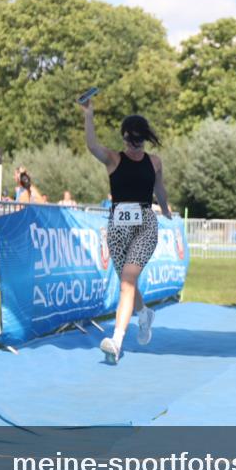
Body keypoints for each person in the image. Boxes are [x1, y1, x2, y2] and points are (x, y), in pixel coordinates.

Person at [80, 97, 172, 363]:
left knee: (127, 281)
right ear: (124, 138)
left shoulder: (154, 162)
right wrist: (88, 114)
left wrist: (165, 209)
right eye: (132, 141)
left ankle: (116, 340)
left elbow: (159, 188)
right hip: (118, 228)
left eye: (140, 141)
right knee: (126, 282)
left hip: (145, 225)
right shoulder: (112, 159)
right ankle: (144, 314)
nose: (136, 146)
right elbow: (91, 145)